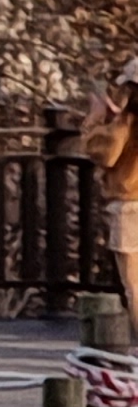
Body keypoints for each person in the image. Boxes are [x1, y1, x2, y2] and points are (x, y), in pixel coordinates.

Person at [83, 53, 138, 318]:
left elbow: (105, 153)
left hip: (130, 204)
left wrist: (95, 120)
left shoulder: (127, 123)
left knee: (135, 286)